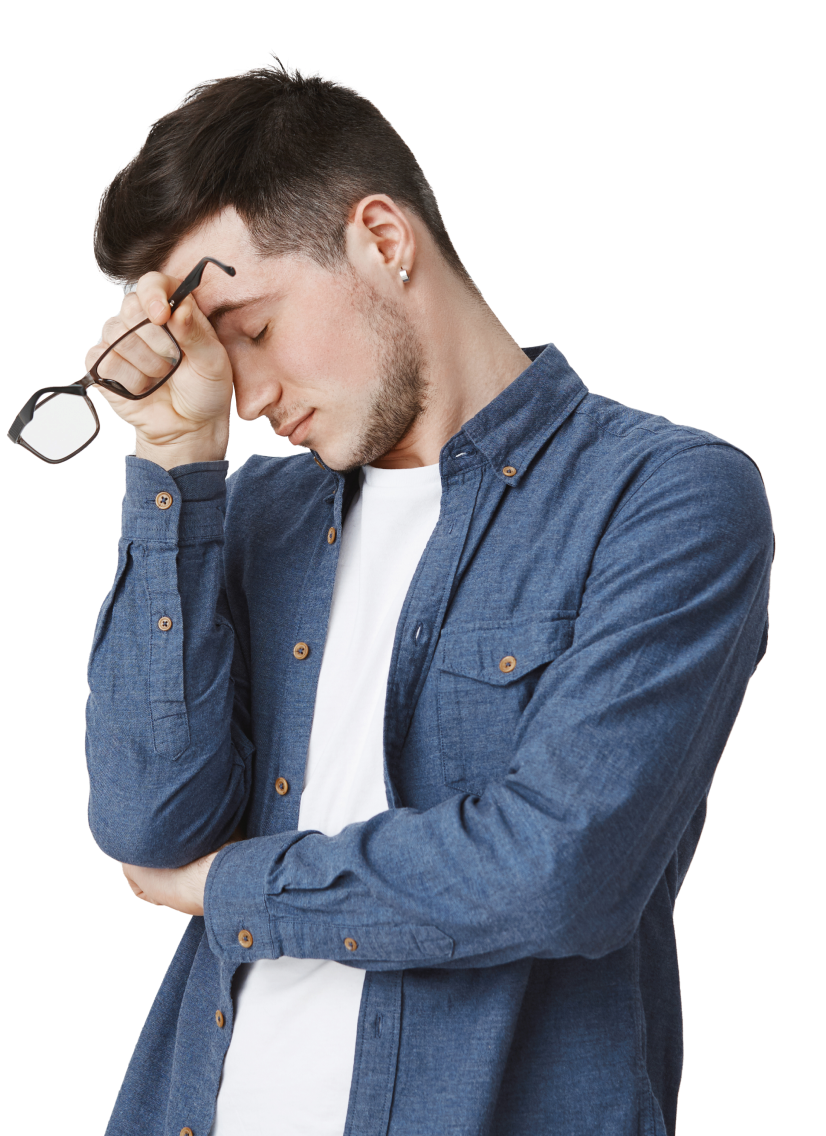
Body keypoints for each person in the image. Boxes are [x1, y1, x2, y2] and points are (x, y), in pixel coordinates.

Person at [84, 53, 774, 1136]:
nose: (246, 394)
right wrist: (175, 453)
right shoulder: (250, 511)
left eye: (251, 329)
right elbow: (148, 823)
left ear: (382, 238)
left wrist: (233, 889)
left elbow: (560, 871)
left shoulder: (662, 496)